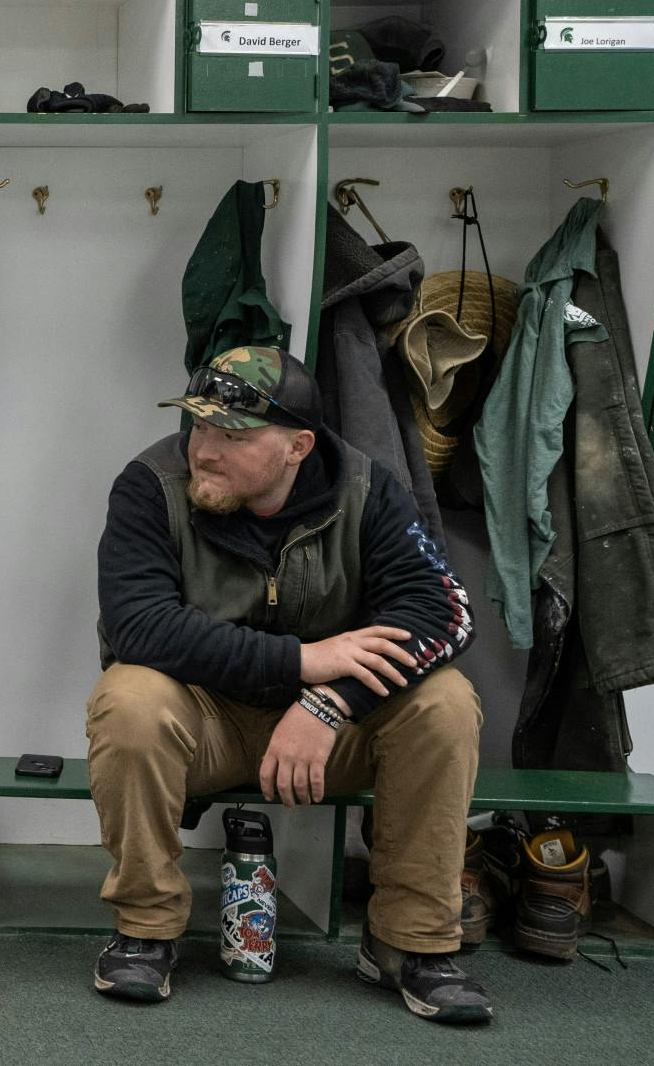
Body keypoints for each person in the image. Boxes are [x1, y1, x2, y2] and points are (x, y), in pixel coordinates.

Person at [87, 346, 492, 1024]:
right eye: (198, 426)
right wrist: (301, 662)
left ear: (298, 445)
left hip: (330, 734)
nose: (204, 450)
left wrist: (330, 702)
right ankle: (145, 929)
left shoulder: (369, 489)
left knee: (446, 701)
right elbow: (139, 627)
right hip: (206, 720)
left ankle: (409, 942)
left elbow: (445, 613)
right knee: (129, 697)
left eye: (233, 435)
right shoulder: (148, 484)